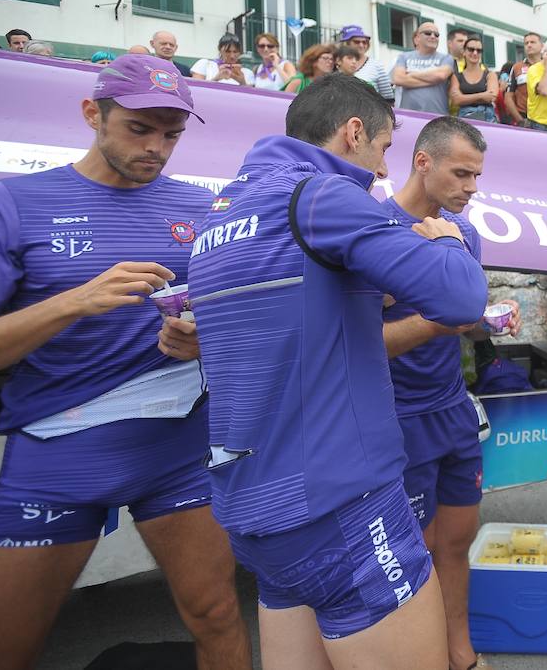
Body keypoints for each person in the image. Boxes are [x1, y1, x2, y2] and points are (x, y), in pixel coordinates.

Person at [190, 73, 488, 669]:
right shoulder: (322, 194)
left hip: (256, 508)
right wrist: (450, 242)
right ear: (354, 132)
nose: (381, 171)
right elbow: (461, 300)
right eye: (381, 149)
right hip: (339, 500)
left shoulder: (219, 213)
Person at [0, 56, 250, 670]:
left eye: (172, 134)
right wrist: (76, 301)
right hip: (59, 451)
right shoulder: (17, 202)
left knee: (218, 615)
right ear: (93, 114)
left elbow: (244, 323)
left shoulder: (200, 207)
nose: (157, 147)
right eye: (140, 129)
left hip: (178, 445)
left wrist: (204, 338)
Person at [383, 116, 519, 670]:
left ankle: (458, 649)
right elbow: (362, 342)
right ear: (423, 162)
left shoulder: (466, 231)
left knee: (457, 541)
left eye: (477, 175)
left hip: (451, 407)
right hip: (395, 416)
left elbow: (467, 318)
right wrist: (446, 318)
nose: (472, 187)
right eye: (462, 173)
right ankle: (421, 655)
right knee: (408, 555)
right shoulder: (376, 228)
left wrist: (488, 322)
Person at [392, 23, 456, 113]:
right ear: (417, 38)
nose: (433, 36)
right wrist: (433, 80)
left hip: (438, 116)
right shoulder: (404, 57)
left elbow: (441, 75)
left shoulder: (446, 58)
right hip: (408, 115)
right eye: (428, 33)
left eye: (436, 35)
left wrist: (412, 74)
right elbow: (398, 79)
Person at [339, 24, 394, 103]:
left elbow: (388, 97)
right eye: (357, 42)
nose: (361, 45)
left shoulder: (376, 65)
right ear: (347, 43)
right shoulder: (334, 64)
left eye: (364, 42)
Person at [450, 35, 498, 122]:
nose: (475, 53)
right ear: (464, 52)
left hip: (488, 118)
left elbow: (491, 97)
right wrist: (482, 95)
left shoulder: (490, 75)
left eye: (479, 50)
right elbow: (456, 100)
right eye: (471, 49)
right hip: (465, 120)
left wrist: (464, 98)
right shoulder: (456, 76)